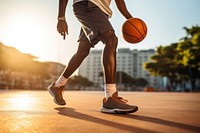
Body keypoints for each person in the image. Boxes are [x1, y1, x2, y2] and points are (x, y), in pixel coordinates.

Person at [48, 0, 138, 114]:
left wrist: (131, 20)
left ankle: (57, 85)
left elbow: (119, 1)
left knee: (82, 51)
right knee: (111, 40)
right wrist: (61, 17)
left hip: (100, 12)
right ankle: (110, 98)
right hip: (87, 5)